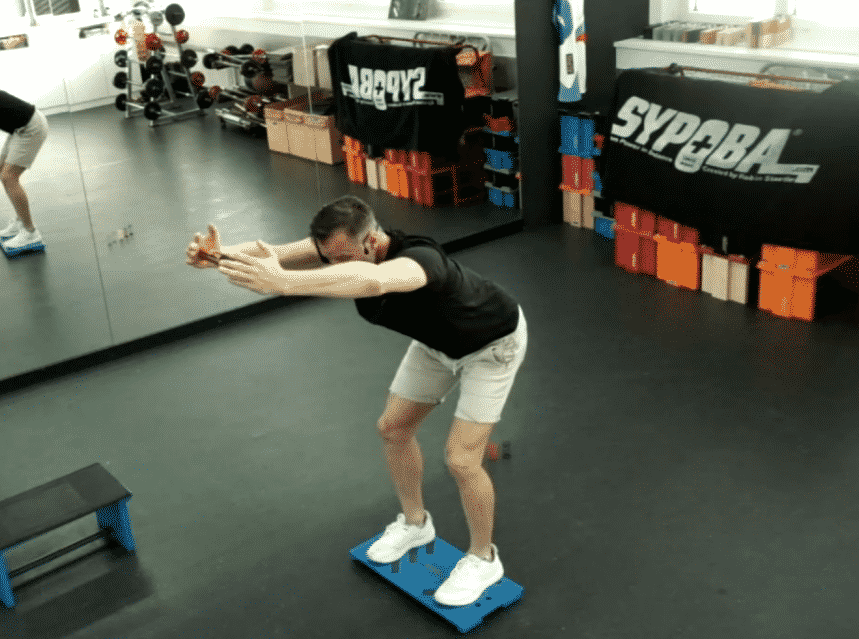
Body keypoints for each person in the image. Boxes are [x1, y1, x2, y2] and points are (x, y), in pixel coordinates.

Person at [185, 194, 528, 607]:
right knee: (393, 429)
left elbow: (374, 282)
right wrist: (218, 256)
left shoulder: (420, 260)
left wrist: (285, 283)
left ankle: (483, 558)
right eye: (328, 257)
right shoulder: (339, 247)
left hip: (491, 345)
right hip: (437, 343)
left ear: (372, 241)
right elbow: (272, 252)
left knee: (461, 459)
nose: (333, 266)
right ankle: (416, 524)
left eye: (343, 258)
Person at [0, 90, 49, 250]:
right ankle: (20, 220)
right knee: (2, 170)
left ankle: (30, 232)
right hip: (19, 128)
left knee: (9, 177)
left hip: (30, 127)